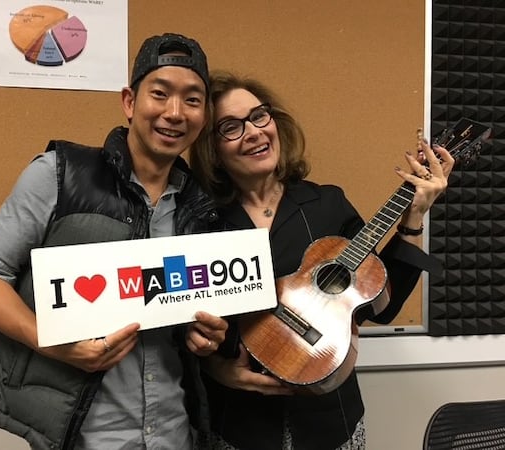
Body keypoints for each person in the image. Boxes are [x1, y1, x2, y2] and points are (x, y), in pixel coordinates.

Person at [0, 33, 228, 450]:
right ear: (129, 102)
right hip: (81, 436)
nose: (174, 112)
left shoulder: (200, 206)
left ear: (203, 116)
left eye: (192, 100)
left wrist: (204, 337)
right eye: (160, 94)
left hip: (174, 432)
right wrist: (51, 343)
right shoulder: (60, 174)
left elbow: (189, 314)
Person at [189, 71, 454, 450]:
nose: (253, 132)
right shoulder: (199, 222)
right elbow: (178, 323)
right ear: (210, 147)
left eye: (259, 116)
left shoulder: (328, 204)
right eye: (230, 126)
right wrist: (213, 369)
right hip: (237, 424)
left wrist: (412, 220)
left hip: (332, 420)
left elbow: (381, 306)